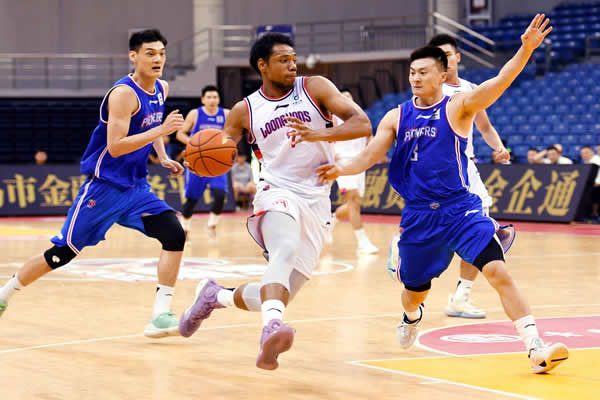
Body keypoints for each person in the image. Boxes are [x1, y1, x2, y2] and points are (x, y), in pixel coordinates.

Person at [317, 15, 568, 374]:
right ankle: (411, 315)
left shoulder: (459, 105)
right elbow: (368, 156)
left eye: (423, 72)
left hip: (461, 210)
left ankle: (535, 347)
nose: (416, 78)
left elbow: (500, 81)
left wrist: (526, 49)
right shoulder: (396, 117)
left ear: (442, 74)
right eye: (412, 73)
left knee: (498, 271)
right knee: (414, 292)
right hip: (420, 215)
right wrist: (341, 169)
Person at [177, 33, 372, 370]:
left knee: (282, 291)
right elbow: (221, 149)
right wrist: (199, 160)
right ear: (263, 65)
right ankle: (271, 328)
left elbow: (363, 123)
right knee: (284, 249)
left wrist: (321, 133)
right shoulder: (244, 110)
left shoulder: (315, 87)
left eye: (294, 59)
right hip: (276, 189)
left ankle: (214, 296)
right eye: (284, 60)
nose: (292, 65)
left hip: (317, 197)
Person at [0, 29, 187, 338]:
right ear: (133, 56)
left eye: (162, 53)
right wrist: (161, 131)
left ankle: (160, 315)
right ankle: (4, 294)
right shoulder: (123, 94)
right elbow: (116, 146)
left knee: (174, 234)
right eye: (150, 53)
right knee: (61, 254)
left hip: (136, 188)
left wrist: (163, 156)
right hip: (103, 188)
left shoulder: (161, 88)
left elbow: (154, 125)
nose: (158, 59)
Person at [429, 34, 513, 319]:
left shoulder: (470, 89)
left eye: (447, 54)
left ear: (457, 57)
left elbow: (485, 127)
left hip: (467, 169)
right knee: (443, 232)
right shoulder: (431, 91)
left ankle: (461, 296)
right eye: (437, 56)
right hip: (441, 171)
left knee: (479, 230)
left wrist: (499, 148)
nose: (443, 60)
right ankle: (406, 252)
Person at [326, 88, 378, 254]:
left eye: (349, 97)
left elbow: (370, 138)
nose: (347, 100)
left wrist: (372, 151)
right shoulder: (334, 118)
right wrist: (331, 153)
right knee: (353, 200)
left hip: (359, 162)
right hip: (343, 163)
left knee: (353, 204)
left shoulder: (362, 117)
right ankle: (362, 242)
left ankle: (331, 221)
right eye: (343, 98)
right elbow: (325, 137)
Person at [176, 85, 230, 240]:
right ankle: (185, 228)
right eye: (209, 97)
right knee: (192, 199)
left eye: (215, 97)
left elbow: (233, 135)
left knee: (220, 195)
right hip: (197, 162)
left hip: (217, 162)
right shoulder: (195, 113)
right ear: (203, 100)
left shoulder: (226, 114)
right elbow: (180, 134)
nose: (212, 100)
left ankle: (212, 225)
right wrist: (196, 144)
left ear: (219, 99)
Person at [580, 145, 600, 222]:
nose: (584, 155)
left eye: (586, 152)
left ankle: (594, 214)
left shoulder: (596, 161)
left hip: (596, 185)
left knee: (594, 190)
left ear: (592, 152)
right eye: (582, 153)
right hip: (591, 185)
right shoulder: (586, 162)